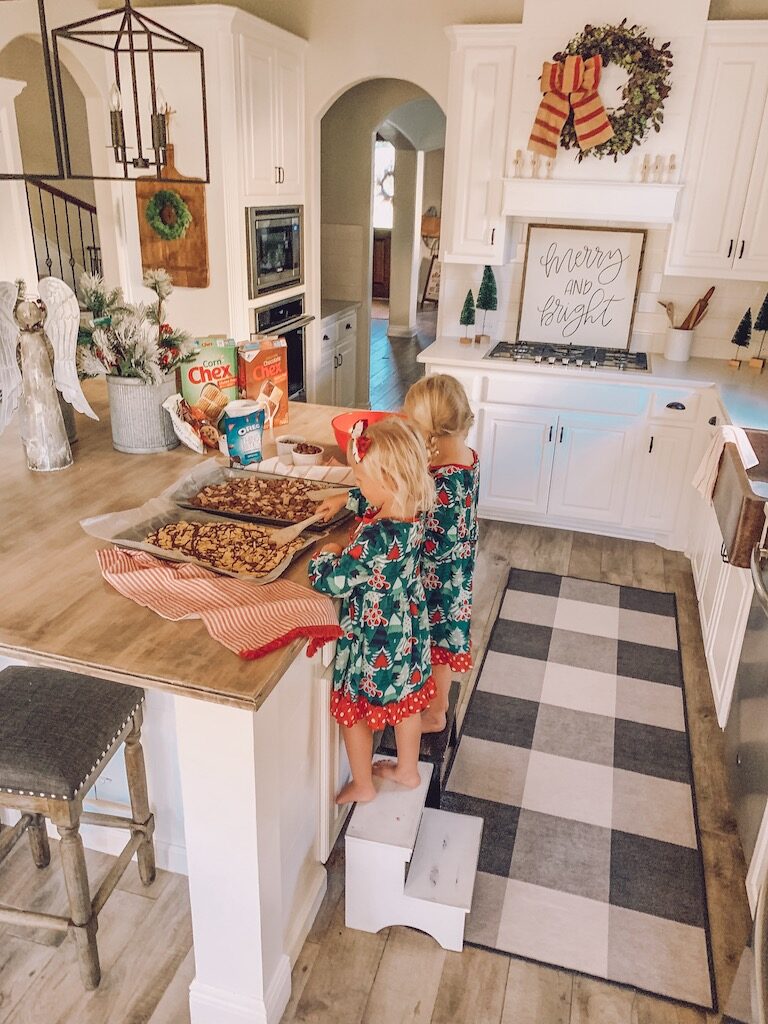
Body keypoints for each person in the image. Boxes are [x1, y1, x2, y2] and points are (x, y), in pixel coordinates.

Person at [309, 417, 436, 804]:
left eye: (361, 479)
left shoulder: (376, 541)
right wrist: (347, 498)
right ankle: (407, 771)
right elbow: (374, 498)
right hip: (407, 631)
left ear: (390, 481)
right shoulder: (409, 507)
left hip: (373, 640)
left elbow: (332, 581)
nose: (359, 486)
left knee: (354, 711)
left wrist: (324, 557)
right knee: (406, 703)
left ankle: (364, 784)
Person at [403, 375, 479, 734]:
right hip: (456, 577)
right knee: (442, 648)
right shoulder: (464, 458)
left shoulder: (445, 482)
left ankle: (435, 713)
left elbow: (428, 536)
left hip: (440, 584)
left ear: (429, 437)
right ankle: (437, 704)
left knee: (438, 650)